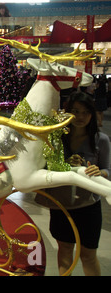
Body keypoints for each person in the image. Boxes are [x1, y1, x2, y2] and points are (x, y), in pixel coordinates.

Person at [36, 91, 110, 276]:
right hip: (61, 205)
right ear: (67, 112)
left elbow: (108, 169)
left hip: (88, 205)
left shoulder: (100, 140)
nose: (80, 117)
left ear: (92, 114)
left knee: (88, 255)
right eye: (75, 111)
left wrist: (100, 172)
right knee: (65, 249)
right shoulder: (56, 139)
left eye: (85, 112)